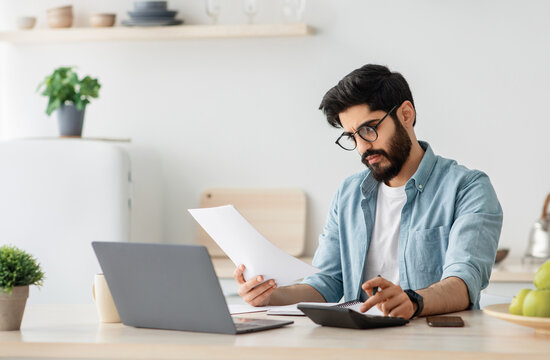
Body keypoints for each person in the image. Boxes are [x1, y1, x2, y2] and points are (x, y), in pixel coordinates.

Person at [233, 64, 503, 319]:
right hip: (357, 342)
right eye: (352, 137)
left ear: (406, 114)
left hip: (433, 343)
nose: (362, 148)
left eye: (369, 129)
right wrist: (270, 296)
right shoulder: (349, 193)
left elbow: (464, 281)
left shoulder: (467, 188)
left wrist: (412, 302)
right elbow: (326, 282)